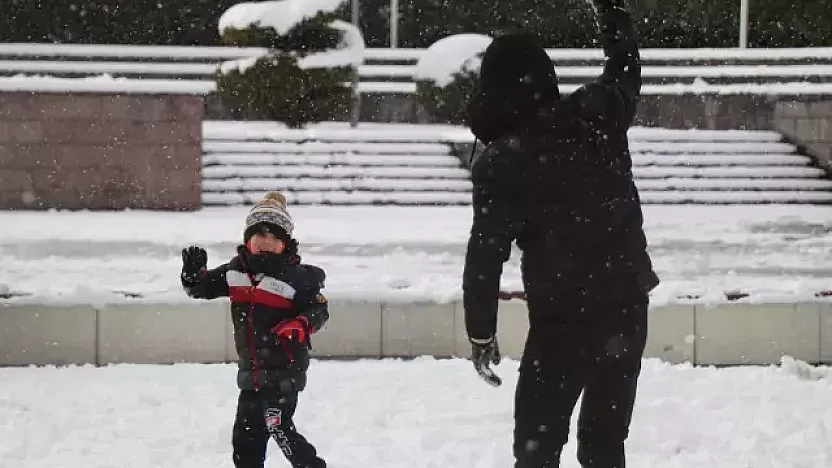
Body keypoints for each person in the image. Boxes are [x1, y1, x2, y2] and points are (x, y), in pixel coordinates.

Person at [460, 1, 660, 467]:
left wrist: (481, 330)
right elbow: (625, 68)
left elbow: (485, 256)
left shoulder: (502, 162)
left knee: (537, 444)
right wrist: (613, 14)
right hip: (626, 305)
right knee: (605, 441)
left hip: (562, 319)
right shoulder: (599, 114)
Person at [180, 191, 329, 468]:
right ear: (247, 239)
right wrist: (193, 274)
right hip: (251, 373)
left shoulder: (296, 277)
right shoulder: (236, 272)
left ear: (285, 244)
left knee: (279, 427)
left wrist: (300, 323)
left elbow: (318, 310)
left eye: (274, 238)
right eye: (260, 236)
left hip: (285, 369)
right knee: (245, 440)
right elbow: (201, 289)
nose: (266, 243)